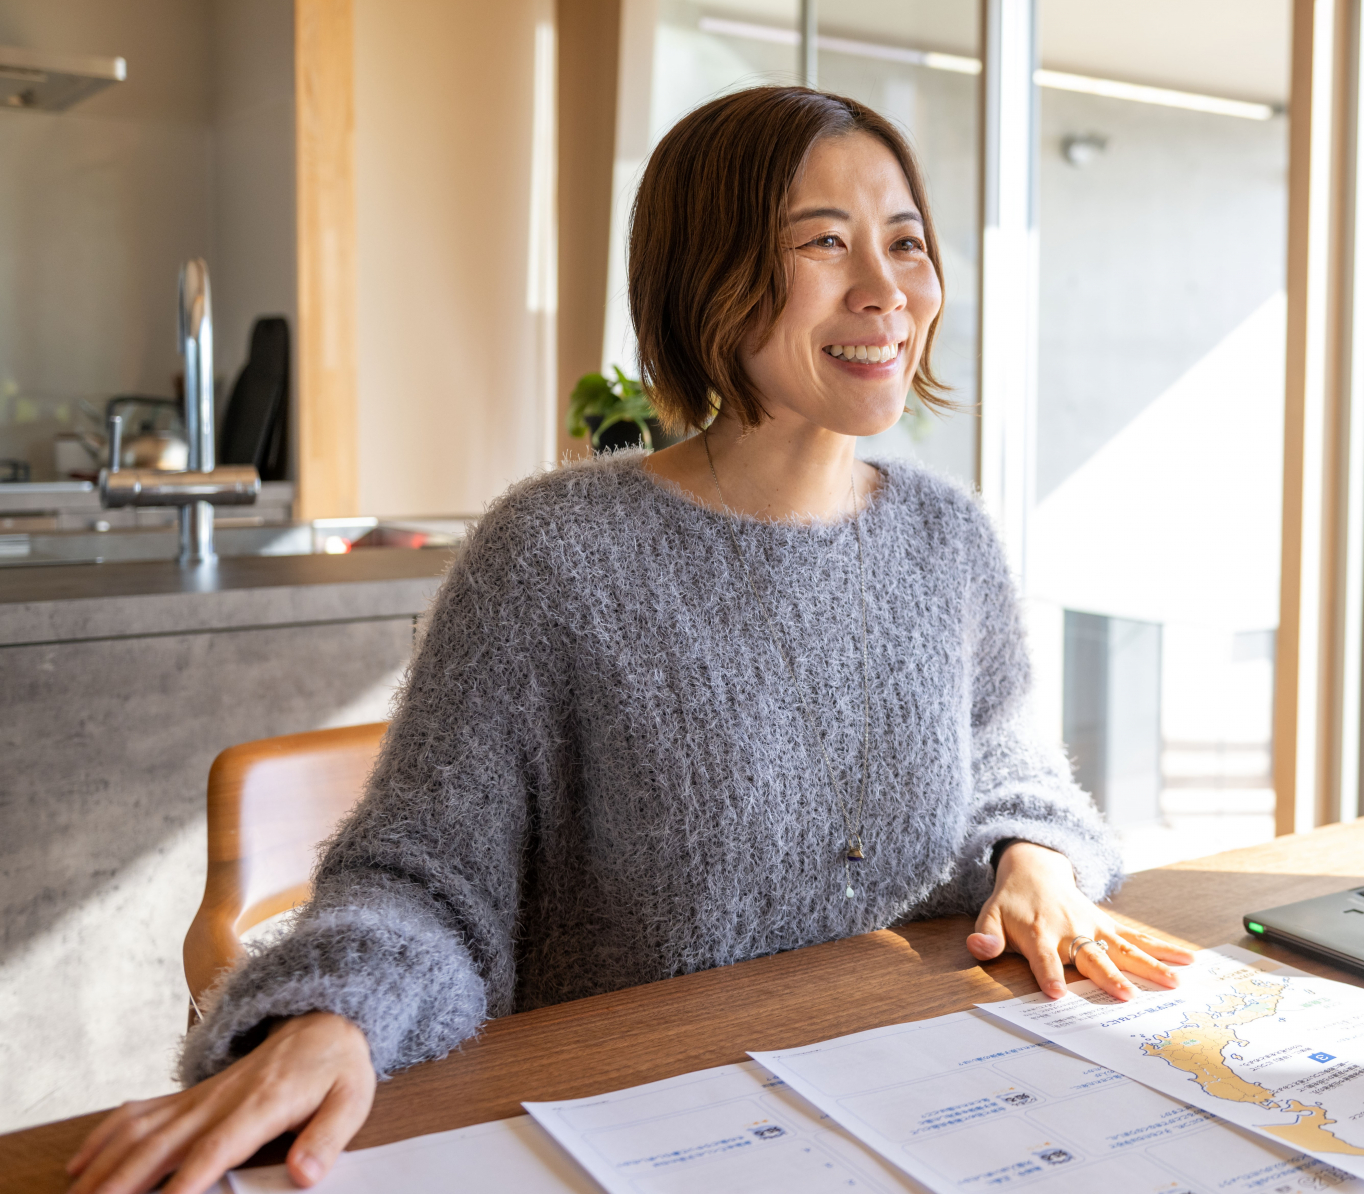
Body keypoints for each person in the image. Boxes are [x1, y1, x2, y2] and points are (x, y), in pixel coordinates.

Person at [67, 86, 1192, 1194]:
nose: (887, 290)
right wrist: (334, 1013)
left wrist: (1034, 853)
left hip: (915, 1098)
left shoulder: (948, 537)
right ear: (709, 277)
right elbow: (426, 876)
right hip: (634, 1132)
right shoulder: (553, 556)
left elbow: (1004, 759)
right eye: (824, 244)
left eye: (905, 243)